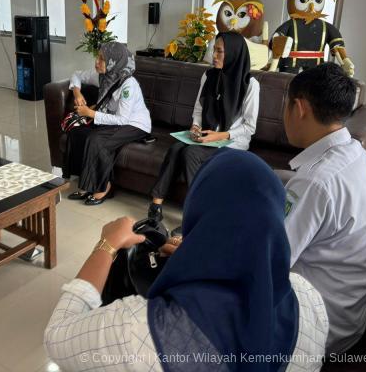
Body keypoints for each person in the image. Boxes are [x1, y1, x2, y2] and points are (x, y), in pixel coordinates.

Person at [44, 149, 328, 371]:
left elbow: (58, 337)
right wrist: (197, 257)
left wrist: (107, 244)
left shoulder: (143, 331)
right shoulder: (310, 300)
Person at [282, 63, 366, 353]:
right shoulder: (356, 154)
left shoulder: (315, 182)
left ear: (299, 108)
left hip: (314, 329)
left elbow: (268, 262)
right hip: (349, 318)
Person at [148, 31, 259, 220]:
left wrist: (220, 135)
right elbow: (199, 109)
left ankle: (198, 215)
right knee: (176, 148)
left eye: (219, 51)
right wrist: (195, 127)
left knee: (191, 153)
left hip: (232, 142)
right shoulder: (208, 76)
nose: (213, 56)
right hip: (207, 136)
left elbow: (250, 126)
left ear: (233, 53)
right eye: (214, 50)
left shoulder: (250, 84)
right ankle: (156, 206)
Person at [63, 42, 151, 206]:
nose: (97, 62)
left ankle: (104, 187)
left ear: (114, 62)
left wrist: (90, 113)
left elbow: (123, 119)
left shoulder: (128, 84)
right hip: (113, 120)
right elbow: (76, 75)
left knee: (97, 139)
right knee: (78, 133)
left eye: (102, 59)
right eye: (98, 57)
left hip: (134, 125)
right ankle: (86, 183)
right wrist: (77, 93)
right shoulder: (104, 76)